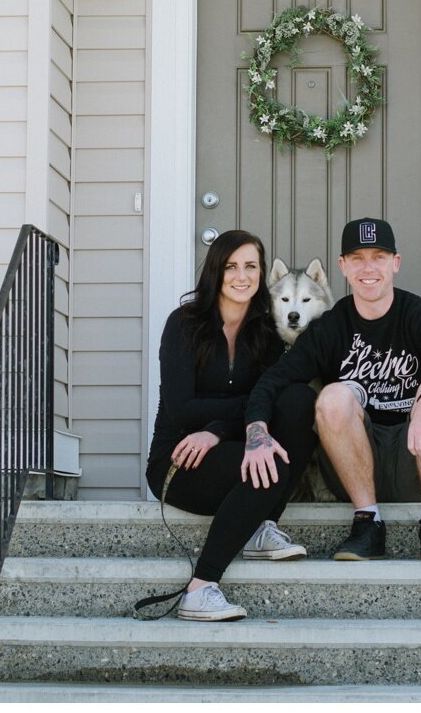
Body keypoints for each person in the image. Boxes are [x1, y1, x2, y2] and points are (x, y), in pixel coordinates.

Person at [243, 217, 421, 562]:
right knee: (333, 396)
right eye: (357, 258)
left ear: (395, 263)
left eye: (378, 257)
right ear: (343, 267)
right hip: (350, 470)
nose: (368, 268)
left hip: (412, 461)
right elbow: (274, 380)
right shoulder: (331, 327)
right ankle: (367, 523)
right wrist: (256, 429)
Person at [146, 230, 318, 622]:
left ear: (261, 273)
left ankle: (261, 525)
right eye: (231, 266)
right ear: (216, 271)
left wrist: (218, 429)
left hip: (231, 449)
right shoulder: (184, 324)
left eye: (251, 266)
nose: (242, 276)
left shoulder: (265, 332)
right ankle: (201, 587)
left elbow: (272, 401)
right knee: (268, 463)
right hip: (179, 462)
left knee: (299, 401)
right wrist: (235, 421)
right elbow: (180, 408)